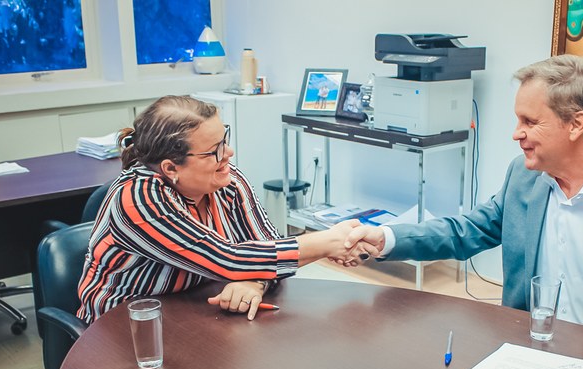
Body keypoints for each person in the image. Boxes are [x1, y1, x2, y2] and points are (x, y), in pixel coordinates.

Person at [344, 55, 583, 369]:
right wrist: (388, 238)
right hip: (533, 357)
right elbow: (467, 231)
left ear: (576, 124)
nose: (516, 133)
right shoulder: (523, 179)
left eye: (529, 121)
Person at [77, 95, 372, 324]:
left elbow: (264, 247)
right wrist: (328, 242)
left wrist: (254, 282)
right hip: (126, 327)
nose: (228, 154)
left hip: (195, 312)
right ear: (171, 168)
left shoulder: (226, 181)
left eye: (225, 140)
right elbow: (226, 259)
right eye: (215, 150)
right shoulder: (138, 199)